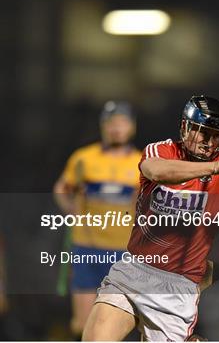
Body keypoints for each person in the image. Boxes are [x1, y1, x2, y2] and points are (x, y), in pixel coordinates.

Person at [82, 74, 219, 341]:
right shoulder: (162, 151)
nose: (209, 141)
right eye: (202, 131)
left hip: (177, 289)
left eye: (216, 136)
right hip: (134, 271)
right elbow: (157, 171)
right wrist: (215, 166)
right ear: (185, 127)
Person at [53, 101, 140, 339]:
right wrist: (70, 208)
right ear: (103, 126)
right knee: (82, 324)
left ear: (132, 127)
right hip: (86, 248)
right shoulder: (83, 158)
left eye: (122, 122)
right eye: (111, 123)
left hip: (122, 253)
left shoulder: (142, 163)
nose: (116, 128)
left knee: (118, 324)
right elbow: (62, 188)